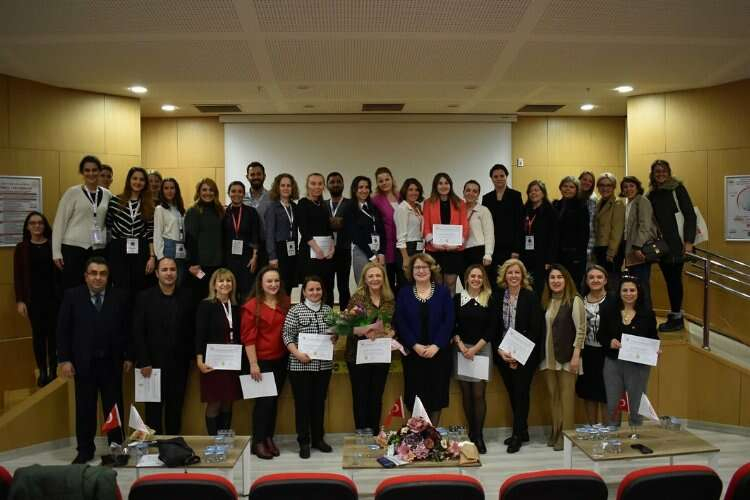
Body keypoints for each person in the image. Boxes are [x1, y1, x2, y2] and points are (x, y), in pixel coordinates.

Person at [56, 256, 132, 464]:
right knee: (85, 409)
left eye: (103, 274)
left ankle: (117, 449)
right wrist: (65, 360)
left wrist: (128, 356)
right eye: (94, 273)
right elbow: (63, 330)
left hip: (112, 363)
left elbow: (127, 329)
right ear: (86, 276)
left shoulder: (120, 296)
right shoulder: (72, 296)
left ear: (108, 276)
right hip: (83, 364)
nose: (98, 278)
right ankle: (85, 450)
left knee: (113, 409)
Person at [132, 257, 194, 435]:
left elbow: (191, 330)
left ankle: (173, 445)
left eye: (172, 269)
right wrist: (143, 360)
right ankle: (155, 446)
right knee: (153, 410)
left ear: (177, 272)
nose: (169, 273)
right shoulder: (144, 297)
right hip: (151, 365)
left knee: (175, 408)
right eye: (164, 270)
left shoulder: (187, 296)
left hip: (179, 364)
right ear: (157, 273)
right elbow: (138, 331)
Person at [394, 253, 454, 425]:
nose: (421, 271)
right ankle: (416, 435)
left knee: (436, 396)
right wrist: (415, 345)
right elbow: (401, 321)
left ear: (431, 269)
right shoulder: (404, 293)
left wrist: (437, 345)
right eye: (417, 267)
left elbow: (449, 321)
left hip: (439, 354)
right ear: (411, 271)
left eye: (424, 267)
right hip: (414, 355)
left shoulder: (443, 292)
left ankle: (431, 435)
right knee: (415, 396)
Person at [283, 276, 336, 458]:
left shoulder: (328, 310)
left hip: (323, 367)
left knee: (319, 403)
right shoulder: (295, 310)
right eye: (311, 289)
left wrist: (334, 337)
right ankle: (304, 441)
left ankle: (318, 439)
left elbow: (334, 334)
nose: (315, 293)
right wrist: (297, 353)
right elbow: (287, 335)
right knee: (303, 405)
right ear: (304, 292)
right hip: (300, 367)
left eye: (318, 289)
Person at [241, 267, 291, 459]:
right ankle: (258, 441)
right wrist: (253, 364)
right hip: (261, 362)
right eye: (269, 281)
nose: (273, 284)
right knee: (264, 403)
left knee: (274, 401)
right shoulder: (252, 306)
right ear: (261, 284)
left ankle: (268, 437)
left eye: (276, 281)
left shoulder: (285, 302)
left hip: (281, 359)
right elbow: (248, 338)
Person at [495, 259, 543, 454]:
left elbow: (535, 329)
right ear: (504, 276)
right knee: (512, 393)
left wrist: (517, 355)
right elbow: (494, 327)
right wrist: (501, 351)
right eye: (510, 272)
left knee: (521, 393)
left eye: (517, 272)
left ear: (522, 276)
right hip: (502, 353)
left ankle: (517, 435)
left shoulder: (530, 297)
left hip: (525, 354)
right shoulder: (498, 296)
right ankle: (522, 431)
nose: (513, 276)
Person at [598, 276, 658, 427]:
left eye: (632, 290)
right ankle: (613, 434)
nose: (628, 294)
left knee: (636, 404)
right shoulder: (609, 311)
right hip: (613, 363)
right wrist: (610, 342)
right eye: (625, 290)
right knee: (612, 403)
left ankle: (635, 434)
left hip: (638, 366)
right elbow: (601, 335)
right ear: (619, 292)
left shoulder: (648, 313)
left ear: (638, 292)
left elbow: (653, 337)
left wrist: (656, 349)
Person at [345, 262, 395, 436]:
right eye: (371, 276)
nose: (375, 279)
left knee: (376, 395)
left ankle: (374, 432)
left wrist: (391, 332)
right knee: (361, 395)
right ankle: (361, 431)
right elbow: (344, 326)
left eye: (378, 275)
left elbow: (394, 324)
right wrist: (366, 330)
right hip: (358, 355)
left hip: (380, 354)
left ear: (383, 278)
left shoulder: (389, 299)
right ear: (365, 279)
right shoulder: (358, 299)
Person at [646, 159, 697, 332]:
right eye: (657, 171)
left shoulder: (677, 189)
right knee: (670, 280)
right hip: (661, 245)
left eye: (663, 171)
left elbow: (690, 215)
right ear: (652, 174)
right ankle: (675, 314)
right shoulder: (652, 194)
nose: (660, 174)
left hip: (677, 245)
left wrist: (688, 242)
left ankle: (677, 318)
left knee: (674, 281)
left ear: (669, 172)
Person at [539, 264, 585, 451]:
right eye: (552, 278)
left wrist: (576, 356)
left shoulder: (575, 300)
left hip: (568, 358)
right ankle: (556, 431)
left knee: (567, 399)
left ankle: (567, 437)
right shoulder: (546, 301)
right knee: (554, 398)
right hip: (548, 358)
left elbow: (581, 330)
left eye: (559, 277)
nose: (556, 281)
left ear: (566, 280)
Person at [453, 264, 497, 454]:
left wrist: (475, 349)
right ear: (467, 278)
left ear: (483, 279)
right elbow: (453, 324)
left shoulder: (489, 299)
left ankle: (478, 435)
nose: (476, 279)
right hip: (462, 350)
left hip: (481, 349)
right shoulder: (457, 299)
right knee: (466, 394)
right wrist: (461, 345)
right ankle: (471, 432)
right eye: (473, 276)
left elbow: (492, 328)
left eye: (480, 276)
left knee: (478, 394)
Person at [14, 211, 61, 387]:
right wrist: (20, 301)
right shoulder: (21, 248)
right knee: (39, 336)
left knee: (54, 335)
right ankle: (42, 371)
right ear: (27, 227)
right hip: (33, 300)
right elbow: (18, 277)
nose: (37, 226)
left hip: (54, 299)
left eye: (40, 223)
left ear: (44, 226)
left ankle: (53, 368)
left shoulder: (53, 245)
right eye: (32, 223)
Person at [195, 268, 243, 435]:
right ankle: (213, 442)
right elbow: (200, 334)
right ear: (214, 285)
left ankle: (224, 441)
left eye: (228, 280)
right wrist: (199, 360)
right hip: (212, 362)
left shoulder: (236, 306)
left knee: (228, 401)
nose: (225, 284)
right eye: (221, 281)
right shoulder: (206, 305)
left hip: (232, 361)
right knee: (214, 402)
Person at [53, 155, 111, 289]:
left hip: (97, 249)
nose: (91, 173)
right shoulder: (72, 193)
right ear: (82, 172)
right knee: (73, 288)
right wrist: (56, 252)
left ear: (99, 171)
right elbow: (59, 222)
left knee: (95, 287)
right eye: (87, 170)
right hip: (72, 248)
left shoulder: (107, 194)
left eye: (94, 170)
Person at [105, 166, 155, 299]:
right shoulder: (115, 201)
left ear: (145, 183)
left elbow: (150, 232)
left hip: (141, 250)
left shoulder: (149, 205)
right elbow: (108, 226)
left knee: (139, 288)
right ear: (129, 180)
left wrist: (152, 257)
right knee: (120, 288)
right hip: (118, 249)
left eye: (141, 179)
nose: (138, 182)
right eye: (135, 178)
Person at [575, 265, 613, 425]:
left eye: (599, 277)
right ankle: (592, 430)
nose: (595, 280)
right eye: (591, 277)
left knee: (607, 395)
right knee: (589, 393)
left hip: (608, 354)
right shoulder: (580, 301)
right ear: (586, 281)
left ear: (605, 280)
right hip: (587, 353)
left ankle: (606, 431)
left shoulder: (614, 300)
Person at [422, 173, 469, 296]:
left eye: (446, 183)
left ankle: (450, 307)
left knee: (450, 283)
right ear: (435, 186)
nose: (443, 186)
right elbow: (426, 225)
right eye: (440, 183)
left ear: (450, 185)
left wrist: (457, 243)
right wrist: (433, 242)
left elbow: (465, 226)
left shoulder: (460, 203)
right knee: (437, 283)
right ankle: (438, 307)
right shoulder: (428, 203)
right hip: (434, 249)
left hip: (454, 250)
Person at [296, 173, 335, 305]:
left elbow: (329, 229)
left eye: (320, 184)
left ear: (324, 186)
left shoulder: (324, 205)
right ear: (307, 185)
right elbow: (304, 230)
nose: (317, 187)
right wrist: (316, 249)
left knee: (327, 286)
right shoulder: (302, 203)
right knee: (310, 287)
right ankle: (306, 316)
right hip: (309, 253)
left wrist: (332, 247)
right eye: (313, 183)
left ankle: (328, 316)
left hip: (325, 254)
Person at [482, 164, 524, 285]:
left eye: (502, 175)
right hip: (492, 247)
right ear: (491, 178)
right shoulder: (487, 198)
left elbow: (519, 224)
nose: (499, 178)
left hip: (510, 248)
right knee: (492, 279)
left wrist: (516, 249)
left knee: (508, 279)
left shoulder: (515, 196)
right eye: (495, 176)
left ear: (506, 176)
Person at [184, 178, 225, 303]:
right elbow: (190, 239)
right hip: (200, 266)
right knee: (201, 298)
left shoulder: (220, 211)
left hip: (217, 264)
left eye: (211, 190)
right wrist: (192, 264)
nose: (208, 193)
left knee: (215, 299)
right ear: (199, 192)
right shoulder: (193, 211)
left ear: (215, 192)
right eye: (204, 190)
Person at [621, 176, 657, 309]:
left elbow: (645, 226)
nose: (628, 189)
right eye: (625, 187)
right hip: (631, 249)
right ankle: (638, 314)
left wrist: (638, 247)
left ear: (637, 187)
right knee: (635, 284)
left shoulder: (642, 201)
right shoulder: (629, 203)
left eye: (631, 186)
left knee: (642, 285)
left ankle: (647, 316)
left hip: (640, 249)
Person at [519, 180, 558, 297]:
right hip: (526, 255)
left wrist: (549, 260)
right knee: (526, 285)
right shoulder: (525, 210)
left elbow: (554, 237)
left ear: (543, 193)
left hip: (542, 256)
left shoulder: (550, 211)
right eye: (530, 191)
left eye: (536, 190)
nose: (533, 193)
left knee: (539, 287)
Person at [223, 181, 261, 300]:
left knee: (247, 292)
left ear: (244, 194)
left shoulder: (251, 212)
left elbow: (255, 235)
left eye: (240, 191)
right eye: (233, 191)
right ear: (229, 193)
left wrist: (254, 257)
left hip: (247, 258)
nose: (236, 194)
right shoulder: (224, 212)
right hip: (229, 258)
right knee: (230, 291)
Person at [265, 173, 300, 295]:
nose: (286, 188)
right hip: (279, 249)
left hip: (292, 249)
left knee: (289, 284)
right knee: (279, 285)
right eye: (283, 185)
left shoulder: (294, 207)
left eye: (288, 185)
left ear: (292, 188)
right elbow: (269, 234)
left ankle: (286, 307)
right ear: (277, 188)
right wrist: (272, 256)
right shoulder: (273, 207)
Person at [553, 176, 590, 290]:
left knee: (574, 286)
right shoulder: (556, 205)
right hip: (558, 254)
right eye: (565, 186)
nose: (568, 189)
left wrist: (578, 256)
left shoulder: (581, 206)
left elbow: (584, 234)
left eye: (571, 187)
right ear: (560, 188)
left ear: (576, 189)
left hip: (575, 256)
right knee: (559, 285)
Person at [348, 175, 386, 282]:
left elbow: (382, 231)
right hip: (362, 252)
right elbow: (355, 236)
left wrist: (381, 253)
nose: (364, 190)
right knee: (364, 284)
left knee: (379, 284)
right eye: (360, 187)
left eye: (367, 187)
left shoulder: (374, 208)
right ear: (354, 189)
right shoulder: (350, 209)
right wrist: (371, 256)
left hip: (377, 251)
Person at [325, 172, 354, 307]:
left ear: (343, 184)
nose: (335, 184)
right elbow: (322, 225)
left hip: (344, 250)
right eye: (332, 182)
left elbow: (351, 225)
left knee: (344, 286)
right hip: (326, 251)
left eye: (338, 181)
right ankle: (328, 317)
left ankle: (345, 317)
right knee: (327, 286)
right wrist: (339, 222)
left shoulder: (351, 204)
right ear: (327, 185)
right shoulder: (323, 205)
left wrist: (332, 222)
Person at [371, 167, 401, 290]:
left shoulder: (401, 196)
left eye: (387, 179)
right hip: (387, 245)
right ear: (377, 183)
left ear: (392, 179)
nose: (384, 183)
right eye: (381, 181)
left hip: (402, 245)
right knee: (388, 281)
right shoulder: (375, 200)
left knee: (403, 280)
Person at [153, 178, 187, 286]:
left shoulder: (179, 209)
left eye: (172, 188)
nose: (169, 191)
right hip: (168, 248)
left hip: (181, 248)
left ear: (176, 190)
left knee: (180, 280)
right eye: (166, 188)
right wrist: (160, 257)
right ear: (162, 191)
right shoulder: (160, 209)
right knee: (168, 282)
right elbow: (157, 234)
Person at [593, 173, 625, 281]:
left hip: (611, 250)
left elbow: (617, 231)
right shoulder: (598, 203)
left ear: (614, 187)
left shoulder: (618, 204)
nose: (605, 188)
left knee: (611, 281)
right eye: (601, 185)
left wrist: (611, 253)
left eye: (608, 185)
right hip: (600, 247)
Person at [461, 180, 494, 283]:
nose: (471, 193)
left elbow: (489, 234)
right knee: (466, 282)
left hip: (478, 252)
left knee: (479, 283)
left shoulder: (484, 210)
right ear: (463, 192)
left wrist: (488, 254)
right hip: (461, 252)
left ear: (478, 194)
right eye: (468, 190)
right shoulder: (458, 210)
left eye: (474, 191)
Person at [394, 177, 425, 286]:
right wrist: (405, 258)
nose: (414, 192)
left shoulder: (417, 207)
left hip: (417, 248)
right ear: (405, 191)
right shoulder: (402, 209)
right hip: (407, 249)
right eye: (410, 190)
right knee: (406, 284)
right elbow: (400, 237)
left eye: (416, 190)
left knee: (415, 283)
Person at [579, 171, 598, 265]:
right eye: (584, 179)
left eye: (590, 181)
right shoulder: (573, 196)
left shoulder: (592, 200)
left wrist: (589, 248)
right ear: (579, 180)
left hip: (587, 244)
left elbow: (590, 225)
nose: (587, 182)